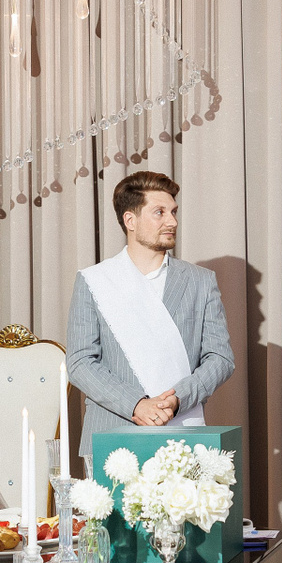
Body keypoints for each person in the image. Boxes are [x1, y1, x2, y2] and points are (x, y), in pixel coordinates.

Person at [66, 171, 236, 467]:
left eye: (173, 212)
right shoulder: (94, 280)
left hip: (183, 429)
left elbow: (220, 358)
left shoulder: (200, 281)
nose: (172, 221)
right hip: (112, 434)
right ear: (130, 220)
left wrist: (178, 399)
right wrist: (136, 404)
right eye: (160, 212)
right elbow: (80, 362)